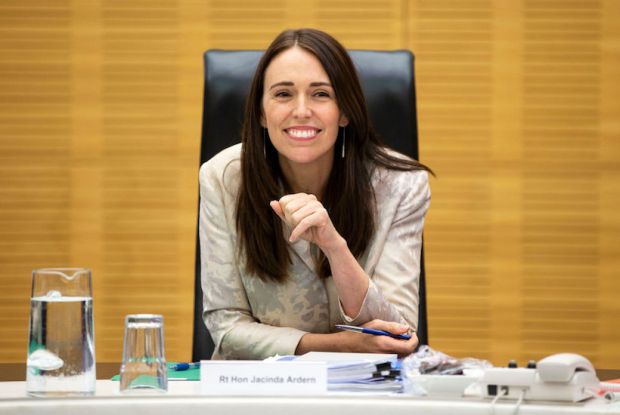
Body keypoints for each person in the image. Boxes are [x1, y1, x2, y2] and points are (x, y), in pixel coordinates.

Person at [199, 28, 431, 360]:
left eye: (321, 94)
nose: (302, 110)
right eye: (283, 94)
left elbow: (398, 335)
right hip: (258, 383)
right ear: (261, 113)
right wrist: (339, 346)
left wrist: (335, 247)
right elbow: (227, 328)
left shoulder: (401, 184)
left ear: (345, 111)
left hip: (366, 387)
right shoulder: (223, 177)